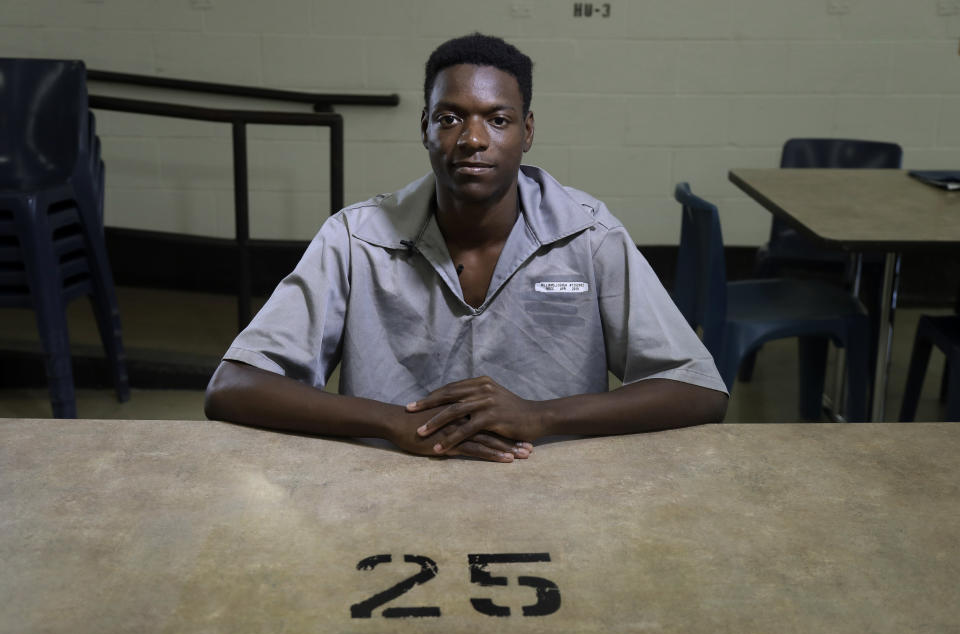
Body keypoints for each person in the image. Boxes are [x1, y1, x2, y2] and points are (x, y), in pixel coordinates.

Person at [205, 33, 728, 462]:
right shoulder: (355, 238)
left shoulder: (589, 236)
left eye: (497, 119)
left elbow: (698, 389)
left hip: (556, 497)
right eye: (450, 118)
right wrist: (391, 423)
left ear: (526, 133)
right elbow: (232, 386)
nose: (472, 138)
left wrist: (542, 416)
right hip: (388, 489)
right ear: (426, 130)